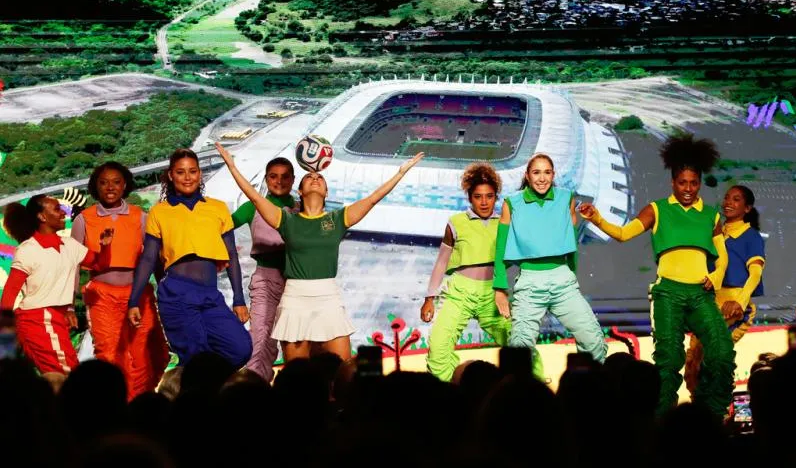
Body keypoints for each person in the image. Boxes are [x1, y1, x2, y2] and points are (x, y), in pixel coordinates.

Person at [216, 142, 423, 363]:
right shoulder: (286, 220)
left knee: (342, 369)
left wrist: (400, 173)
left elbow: (373, 198)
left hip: (328, 298)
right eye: (309, 177)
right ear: (300, 191)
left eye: (320, 178)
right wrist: (232, 167)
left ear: (326, 192)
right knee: (298, 375)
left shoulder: (338, 219)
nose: (315, 178)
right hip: (295, 299)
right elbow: (255, 198)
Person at [578, 133, 734, 417]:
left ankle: (712, 414)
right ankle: (662, 421)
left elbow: (722, 256)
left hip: (701, 294)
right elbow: (623, 233)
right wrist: (597, 218)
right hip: (668, 294)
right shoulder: (657, 209)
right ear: (673, 182)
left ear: (699, 183)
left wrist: (717, 276)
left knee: (722, 351)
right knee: (669, 360)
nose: (688, 188)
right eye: (682, 182)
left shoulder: (710, 215)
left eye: (694, 183)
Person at [127, 149, 252, 368]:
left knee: (240, 348)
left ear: (199, 173)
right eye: (180, 172)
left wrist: (239, 299)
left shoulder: (217, 208)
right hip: (177, 293)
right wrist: (133, 301)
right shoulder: (159, 212)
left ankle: (208, 382)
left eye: (192, 171)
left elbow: (231, 254)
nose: (187, 177)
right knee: (195, 360)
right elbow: (148, 259)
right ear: (171, 175)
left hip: (210, 294)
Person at [421, 162, 544, 382]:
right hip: (459, 293)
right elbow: (441, 263)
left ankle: (532, 387)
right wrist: (429, 298)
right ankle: (450, 393)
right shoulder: (456, 223)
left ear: (496, 197)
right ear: (470, 197)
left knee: (520, 342)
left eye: (489, 196)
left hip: (494, 294)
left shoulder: (504, 224)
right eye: (478, 197)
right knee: (438, 346)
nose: (484, 202)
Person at [493, 153, 607, 367]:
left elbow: (570, 240)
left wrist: (571, 273)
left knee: (594, 341)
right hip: (530, 282)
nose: (542, 178)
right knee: (519, 351)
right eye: (536, 172)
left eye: (547, 172)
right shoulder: (512, 203)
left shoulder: (566, 198)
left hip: (563, 280)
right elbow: (501, 248)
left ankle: (587, 386)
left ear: (553, 175)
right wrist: (499, 287)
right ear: (527, 175)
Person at [71, 162, 169, 400]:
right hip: (102, 296)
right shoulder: (84, 219)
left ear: (124, 185)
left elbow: (154, 259)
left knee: (148, 353)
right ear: (95, 186)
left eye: (116, 182)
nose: (110, 187)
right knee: (111, 355)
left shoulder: (140, 217)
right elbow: (72, 264)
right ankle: (118, 406)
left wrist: (165, 291)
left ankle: (141, 403)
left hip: (138, 294)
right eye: (104, 183)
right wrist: (70, 305)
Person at [1, 195, 113, 374]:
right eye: (56, 209)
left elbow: (100, 264)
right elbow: (10, 292)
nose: (63, 213)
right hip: (38, 320)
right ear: (42, 217)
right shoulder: (28, 250)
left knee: (61, 374)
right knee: (67, 374)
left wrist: (105, 246)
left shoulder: (69, 245)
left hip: (54, 320)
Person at [684, 185, 765, 394]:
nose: (728, 202)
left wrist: (739, 302)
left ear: (747, 208)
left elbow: (755, 274)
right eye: (727, 198)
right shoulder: (715, 234)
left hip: (733, 302)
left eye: (736, 199)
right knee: (692, 362)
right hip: (709, 301)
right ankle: (699, 406)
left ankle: (716, 408)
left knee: (712, 358)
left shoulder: (750, 236)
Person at [231, 156, 297, 381]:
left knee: (297, 341)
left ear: (293, 179)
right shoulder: (253, 206)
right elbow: (222, 226)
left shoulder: (300, 208)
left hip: (296, 283)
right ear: (266, 179)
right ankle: (255, 393)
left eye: (285, 176)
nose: (279, 181)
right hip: (265, 281)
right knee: (260, 341)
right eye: (273, 176)